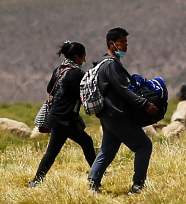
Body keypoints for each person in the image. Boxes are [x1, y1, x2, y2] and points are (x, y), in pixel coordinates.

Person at [87, 27, 158, 194]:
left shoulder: (104, 62)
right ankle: (138, 186)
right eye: (122, 42)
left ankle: (92, 183)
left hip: (107, 114)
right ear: (113, 44)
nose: (126, 45)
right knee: (144, 145)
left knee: (109, 148)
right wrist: (145, 104)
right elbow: (123, 90)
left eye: (126, 41)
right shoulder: (111, 65)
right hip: (116, 114)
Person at [28, 41, 95, 187]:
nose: (84, 60)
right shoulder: (76, 74)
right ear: (77, 57)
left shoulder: (59, 70)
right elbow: (85, 93)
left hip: (58, 116)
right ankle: (36, 181)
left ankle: (97, 172)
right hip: (64, 119)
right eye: (83, 57)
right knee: (53, 151)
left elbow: (49, 88)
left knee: (86, 142)